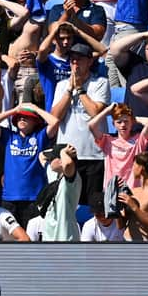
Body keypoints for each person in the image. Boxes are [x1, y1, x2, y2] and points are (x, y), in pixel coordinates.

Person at [51, 42, 109, 204]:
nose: (75, 63)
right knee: (68, 203)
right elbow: (55, 116)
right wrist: (70, 90)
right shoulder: (62, 85)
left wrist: (80, 90)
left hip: (94, 155)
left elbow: (95, 112)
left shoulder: (100, 83)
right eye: (72, 60)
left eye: (79, 59)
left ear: (90, 61)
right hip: (67, 155)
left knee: (92, 204)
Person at [0, 103, 59, 228]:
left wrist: (35, 108)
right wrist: (13, 110)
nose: (22, 119)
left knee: (31, 238)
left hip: (34, 198)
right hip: (10, 198)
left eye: (27, 117)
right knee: (9, 239)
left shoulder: (40, 137)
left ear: (35, 121)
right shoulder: (9, 136)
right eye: (19, 117)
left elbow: (55, 122)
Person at [36, 22, 106, 111]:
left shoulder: (76, 60)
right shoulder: (47, 60)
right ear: (54, 40)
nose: (66, 42)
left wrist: (79, 32)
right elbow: (42, 50)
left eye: (69, 38)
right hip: (54, 111)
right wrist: (53, 32)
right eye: (61, 38)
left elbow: (103, 50)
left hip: (75, 111)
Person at [89, 103, 148, 189]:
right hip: (111, 188)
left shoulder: (138, 141)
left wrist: (132, 118)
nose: (123, 125)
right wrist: (108, 110)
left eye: (126, 121)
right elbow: (91, 125)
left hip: (132, 189)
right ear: (113, 124)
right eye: (119, 122)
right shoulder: (108, 141)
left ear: (132, 122)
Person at [118, 152, 148, 241]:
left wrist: (134, 207)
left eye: (134, 165)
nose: (132, 169)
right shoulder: (134, 191)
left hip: (144, 245)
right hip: (126, 240)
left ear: (141, 168)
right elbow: (120, 225)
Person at [41, 143, 82, 241]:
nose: (49, 161)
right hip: (50, 239)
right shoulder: (54, 175)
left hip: (65, 238)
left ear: (61, 161)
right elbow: (41, 156)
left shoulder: (72, 179)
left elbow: (68, 165)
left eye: (52, 159)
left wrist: (63, 152)